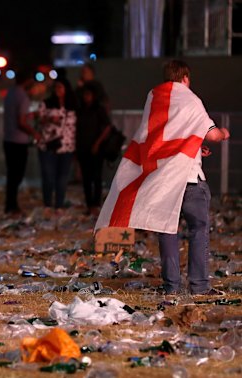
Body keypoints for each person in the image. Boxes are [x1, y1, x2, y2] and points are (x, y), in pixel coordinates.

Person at [95, 60, 230, 296]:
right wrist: (224, 133)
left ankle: (172, 287)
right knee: (199, 229)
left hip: (162, 181)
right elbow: (213, 136)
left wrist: (195, 147)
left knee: (167, 230)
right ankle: (199, 286)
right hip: (188, 178)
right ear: (185, 78)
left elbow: (158, 140)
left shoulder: (154, 99)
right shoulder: (191, 100)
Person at [36, 77, 77, 216]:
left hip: (67, 146)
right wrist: (49, 119)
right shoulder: (46, 104)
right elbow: (39, 120)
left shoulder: (73, 105)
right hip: (48, 145)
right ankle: (47, 204)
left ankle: (59, 205)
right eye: (56, 87)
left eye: (61, 87)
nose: (58, 90)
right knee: (48, 176)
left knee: (63, 177)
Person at [2, 69, 41, 215]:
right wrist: (35, 133)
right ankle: (12, 206)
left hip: (8, 139)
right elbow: (21, 122)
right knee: (17, 175)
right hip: (18, 141)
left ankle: (10, 204)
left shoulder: (10, 93)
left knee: (11, 174)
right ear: (28, 80)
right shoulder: (23, 97)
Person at [75, 83, 112, 216]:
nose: (86, 97)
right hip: (82, 147)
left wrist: (98, 142)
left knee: (96, 177)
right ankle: (89, 204)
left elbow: (107, 126)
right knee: (86, 178)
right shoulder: (80, 110)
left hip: (96, 148)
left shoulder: (98, 109)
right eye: (85, 94)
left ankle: (96, 204)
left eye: (88, 94)